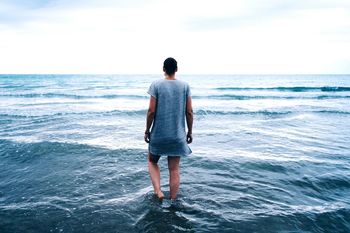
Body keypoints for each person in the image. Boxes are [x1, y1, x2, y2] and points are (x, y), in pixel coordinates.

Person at [144, 57, 193, 200]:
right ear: (176, 69)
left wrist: (147, 130)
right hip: (177, 136)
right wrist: (189, 132)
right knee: (174, 169)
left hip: (159, 135)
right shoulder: (185, 86)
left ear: (163, 69)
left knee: (152, 161)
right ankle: (172, 200)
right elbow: (189, 112)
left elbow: (151, 111)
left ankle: (158, 192)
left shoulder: (156, 85)